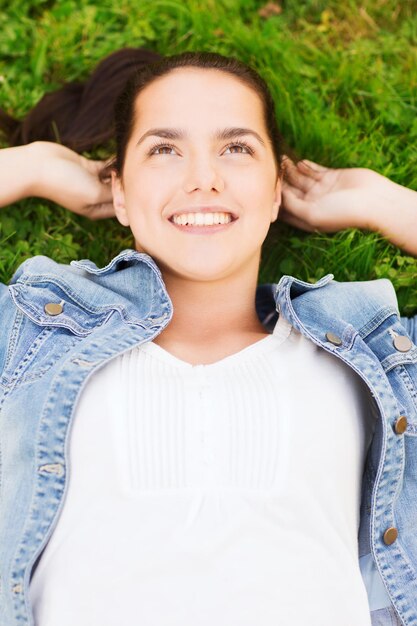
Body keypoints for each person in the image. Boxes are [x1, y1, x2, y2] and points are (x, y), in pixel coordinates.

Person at [0, 51, 416, 626]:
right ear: (119, 191)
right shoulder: (29, 338)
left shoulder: (372, 358)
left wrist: (383, 204)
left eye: (237, 148)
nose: (203, 178)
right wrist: (33, 168)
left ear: (276, 191)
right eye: (164, 149)